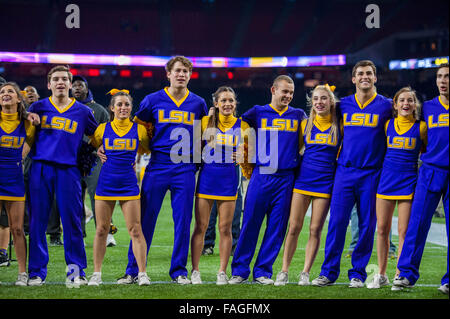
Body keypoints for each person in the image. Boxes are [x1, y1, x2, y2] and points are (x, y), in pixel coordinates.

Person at [117, 56, 208, 285]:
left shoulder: (198, 103)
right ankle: (134, 269)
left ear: (189, 75)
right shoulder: (152, 100)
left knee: (183, 220)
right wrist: (139, 150)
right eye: (177, 71)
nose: (181, 75)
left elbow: (203, 135)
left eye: (185, 71)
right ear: (168, 74)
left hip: (185, 167)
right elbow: (135, 128)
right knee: (144, 219)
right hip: (158, 163)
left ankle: (179, 271)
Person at [312, 60, 392, 288]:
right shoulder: (343, 105)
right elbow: (319, 113)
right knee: (337, 222)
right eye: (360, 74)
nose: (365, 77)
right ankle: (328, 272)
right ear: (353, 79)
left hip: (372, 173)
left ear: (375, 78)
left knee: (367, 225)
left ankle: (357, 273)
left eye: (369, 73)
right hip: (344, 172)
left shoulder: (387, 106)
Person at [229, 75, 307, 285]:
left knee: (277, 227)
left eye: (291, 92)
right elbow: (239, 126)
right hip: (262, 174)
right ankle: (239, 271)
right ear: (273, 90)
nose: (288, 96)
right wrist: (245, 150)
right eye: (285, 91)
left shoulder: (299, 115)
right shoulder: (257, 112)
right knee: (250, 223)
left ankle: (263, 271)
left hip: (286, 177)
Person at [26, 65, 98, 286]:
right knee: (38, 221)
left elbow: (96, 136)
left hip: (69, 171)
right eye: (55, 79)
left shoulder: (84, 112)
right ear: (48, 84)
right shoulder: (37, 107)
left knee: (73, 221)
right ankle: (36, 273)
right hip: (40, 168)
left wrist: (96, 151)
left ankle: (75, 272)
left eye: (64, 79)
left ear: (69, 84)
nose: (60, 82)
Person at [274, 84, 341, 286]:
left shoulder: (339, 125)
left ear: (331, 102)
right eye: (316, 98)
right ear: (312, 101)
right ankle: (284, 271)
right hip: (303, 181)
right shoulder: (305, 123)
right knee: (293, 227)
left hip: (325, 183)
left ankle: (305, 272)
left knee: (315, 229)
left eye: (324, 98)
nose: (319, 102)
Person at [393, 63, 449, 294]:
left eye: (447, 76)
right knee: (417, 224)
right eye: (440, 76)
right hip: (430, 170)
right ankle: (405, 274)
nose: (443, 80)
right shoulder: (427, 107)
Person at [87, 89, 150, 286]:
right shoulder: (102, 129)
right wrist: (98, 151)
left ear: (131, 108)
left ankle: (142, 274)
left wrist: (136, 159)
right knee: (101, 230)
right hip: (105, 184)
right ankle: (96, 274)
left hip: (129, 185)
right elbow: (92, 146)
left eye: (127, 104)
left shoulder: (139, 129)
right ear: (112, 108)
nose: (123, 108)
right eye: (119, 105)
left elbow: (146, 149)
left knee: (136, 229)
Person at [367, 87, 426, 289]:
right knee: (382, 229)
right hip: (386, 180)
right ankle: (381, 274)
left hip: (409, 182)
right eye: (402, 100)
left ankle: (400, 274)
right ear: (395, 104)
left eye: (410, 100)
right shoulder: (387, 125)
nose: (406, 104)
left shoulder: (421, 127)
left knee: (403, 232)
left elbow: (425, 151)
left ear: (415, 104)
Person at [190, 86, 249, 285]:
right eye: (223, 100)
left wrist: (243, 155)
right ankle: (195, 270)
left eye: (231, 100)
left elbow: (251, 151)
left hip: (229, 180)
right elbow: (193, 146)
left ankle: (222, 272)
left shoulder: (242, 125)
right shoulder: (205, 122)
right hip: (207, 179)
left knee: (225, 228)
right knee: (200, 227)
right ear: (216, 103)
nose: (227, 104)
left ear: (235, 103)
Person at [71, 75, 116, 246]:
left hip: (94, 158)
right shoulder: (65, 108)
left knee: (99, 196)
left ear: (86, 88)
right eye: (74, 85)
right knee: (74, 198)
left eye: (80, 85)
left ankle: (107, 233)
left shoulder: (99, 110)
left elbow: (109, 133)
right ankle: (78, 235)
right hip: (72, 160)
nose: (76, 88)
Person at [0, 82, 36, 285]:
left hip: (14, 179)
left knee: (17, 229)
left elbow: (26, 149)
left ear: (17, 98)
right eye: (2, 92)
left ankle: (22, 274)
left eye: (10, 92)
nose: (5, 94)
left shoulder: (28, 124)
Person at [202, 167, 243, 256]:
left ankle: (233, 244)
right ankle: (207, 244)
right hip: (212, 167)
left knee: (233, 204)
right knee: (209, 208)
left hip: (231, 167)